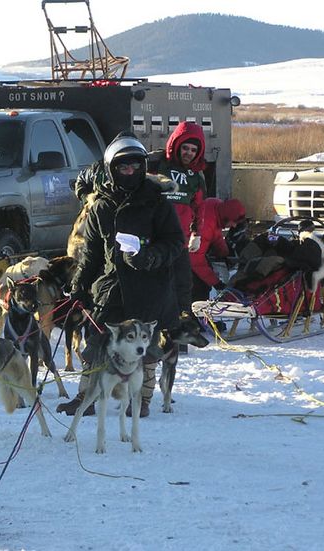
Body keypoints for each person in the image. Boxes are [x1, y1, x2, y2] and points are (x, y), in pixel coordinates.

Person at [58, 134, 184, 418]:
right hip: (110, 288)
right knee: (96, 346)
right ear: (112, 170)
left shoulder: (158, 203)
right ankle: (86, 398)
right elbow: (90, 253)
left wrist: (149, 256)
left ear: (143, 168)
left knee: (146, 350)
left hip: (149, 288)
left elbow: (175, 242)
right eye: (123, 168)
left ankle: (142, 400)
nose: (130, 173)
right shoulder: (100, 207)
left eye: (135, 167)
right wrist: (79, 287)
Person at [149, 121, 208, 313]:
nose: (188, 153)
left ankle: (181, 323)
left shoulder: (196, 176)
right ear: (177, 145)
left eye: (193, 150)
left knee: (183, 284)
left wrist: (196, 233)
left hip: (179, 240)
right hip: (155, 238)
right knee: (156, 283)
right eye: (185, 148)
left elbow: (199, 206)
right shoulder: (157, 164)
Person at [190, 198, 246, 302]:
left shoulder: (215, 206)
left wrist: (224, 253)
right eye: (233, 222)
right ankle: (192, 313)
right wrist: (216, 283)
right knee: (199, 286)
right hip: (185, 253)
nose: (234, 225)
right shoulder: (205, 227)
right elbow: (195, 260)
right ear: (226, 217)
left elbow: (216, 233)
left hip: (190, 247)